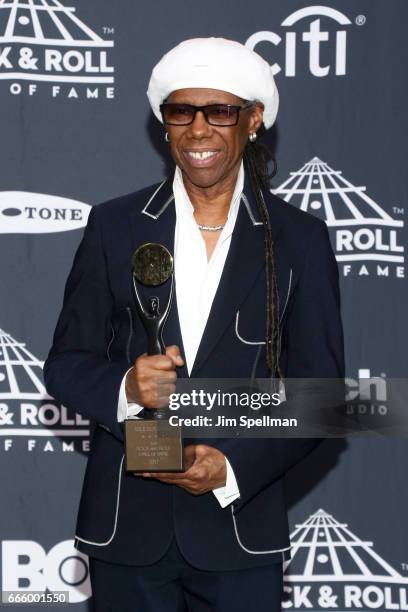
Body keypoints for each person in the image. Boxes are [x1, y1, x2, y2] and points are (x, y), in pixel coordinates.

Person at [44, 37, 344, 612]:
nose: (198, 130)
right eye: (181, 112)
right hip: (126, 528)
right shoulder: (115, 224)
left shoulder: (300, 240)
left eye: (220, 112)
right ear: (164, 124)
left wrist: (231, 465)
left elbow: (325, 397)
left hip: (240, 528)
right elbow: (64, 365)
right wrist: (126, 389)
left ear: (253, 121)